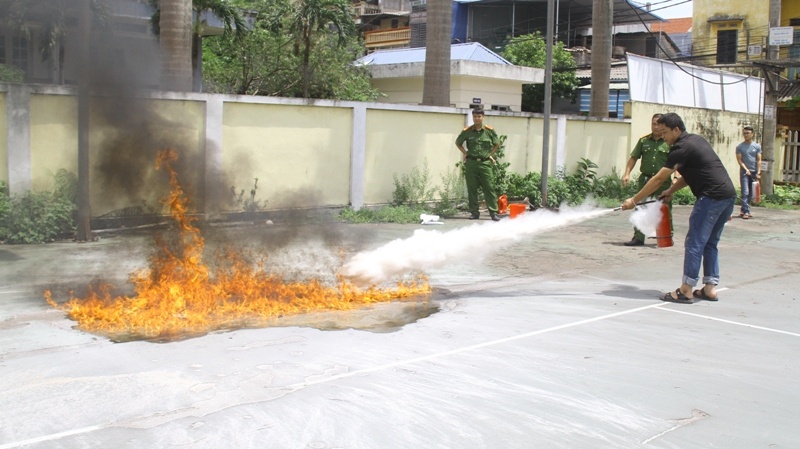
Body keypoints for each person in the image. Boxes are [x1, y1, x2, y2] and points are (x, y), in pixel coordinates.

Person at [621, 112, 736, 304]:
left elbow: (658, 179)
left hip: (710, 198)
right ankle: (709, 288)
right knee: (710, 243)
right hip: (728, 196)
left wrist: (634, 200)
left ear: (676, 129)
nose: (663, 137)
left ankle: (686, 290)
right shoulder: (695, 141)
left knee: (694, 242)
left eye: (665, 132)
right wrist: (672, 189)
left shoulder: (680, 148)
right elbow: (693, 174)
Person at [621, 113, 673, 246]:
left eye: (658, 124)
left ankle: (665, 236)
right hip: (646, 179)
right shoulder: (644, 141)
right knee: (639, 205)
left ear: (663, 126)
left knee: (664, 207)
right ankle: (638, 237)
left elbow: (677, 162)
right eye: (653, 124)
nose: (655, 127)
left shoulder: (668, 142)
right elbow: (633, 158)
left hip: (663, 181)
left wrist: (676, 177)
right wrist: (627, 173)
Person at [455, 108, 501, 221]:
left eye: (479, 116)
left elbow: (497, 143)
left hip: (485, 163)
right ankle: (474, 212)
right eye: (475, 116)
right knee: (472, 188)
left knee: (489, 188)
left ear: (483, 117)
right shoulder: (468, 131)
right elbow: (458, 142)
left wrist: (490, 154)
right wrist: (465, 153)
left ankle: (493, 213)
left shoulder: (489, 131)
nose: (477, 118)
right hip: (472, 163)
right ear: (473, 117)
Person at [735, 125, 762, 219]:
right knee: (745, 192)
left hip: (754, 172)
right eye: (744, 133)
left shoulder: (757, 146)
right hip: (744, 172)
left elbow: (759, 160)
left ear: (752, 134)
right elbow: (739, 161)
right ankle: (746, 211)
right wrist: (746, 169)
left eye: (748, 133)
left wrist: (758, 172)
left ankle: (743, 209)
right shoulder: (740, 147)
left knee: (751, 192)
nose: (746, 135)